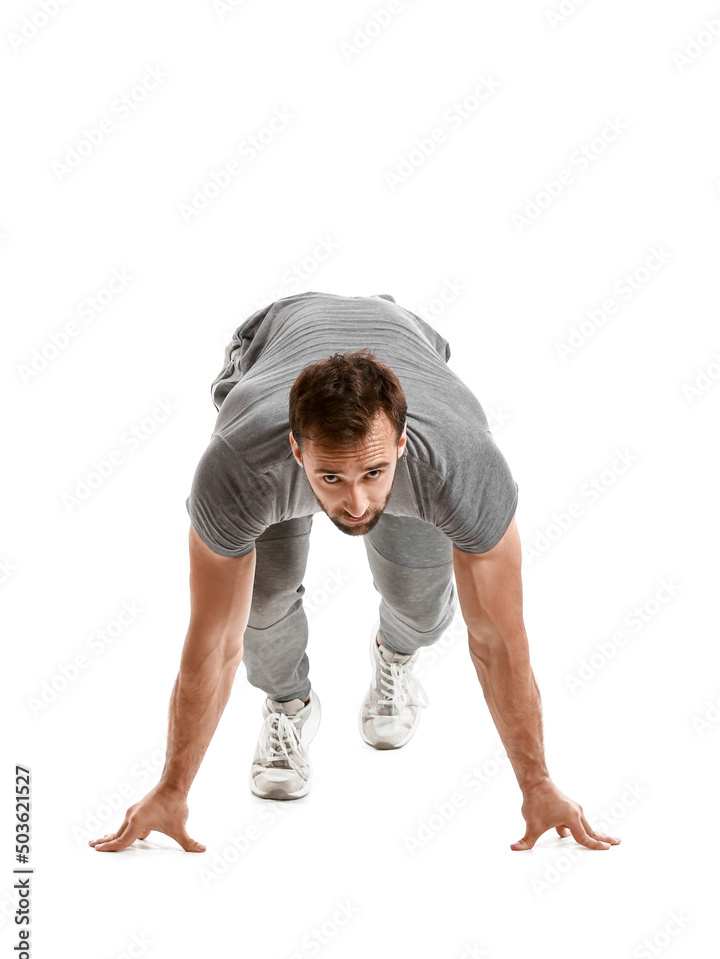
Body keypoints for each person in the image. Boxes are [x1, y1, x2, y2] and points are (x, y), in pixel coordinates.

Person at [89, 291, 621, 854]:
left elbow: (497, 640)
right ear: (296, 451)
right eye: (331, 478)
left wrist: (536, 783)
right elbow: (214, 641)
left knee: (419, 604)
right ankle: (290, 704)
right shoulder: (240, 467)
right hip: (275, 341)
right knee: (259, 607)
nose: (359, 502)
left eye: (373, 471)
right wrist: (173, 788)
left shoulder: (461, 467)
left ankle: (394, 653)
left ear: (400, 441)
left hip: (405, 339)